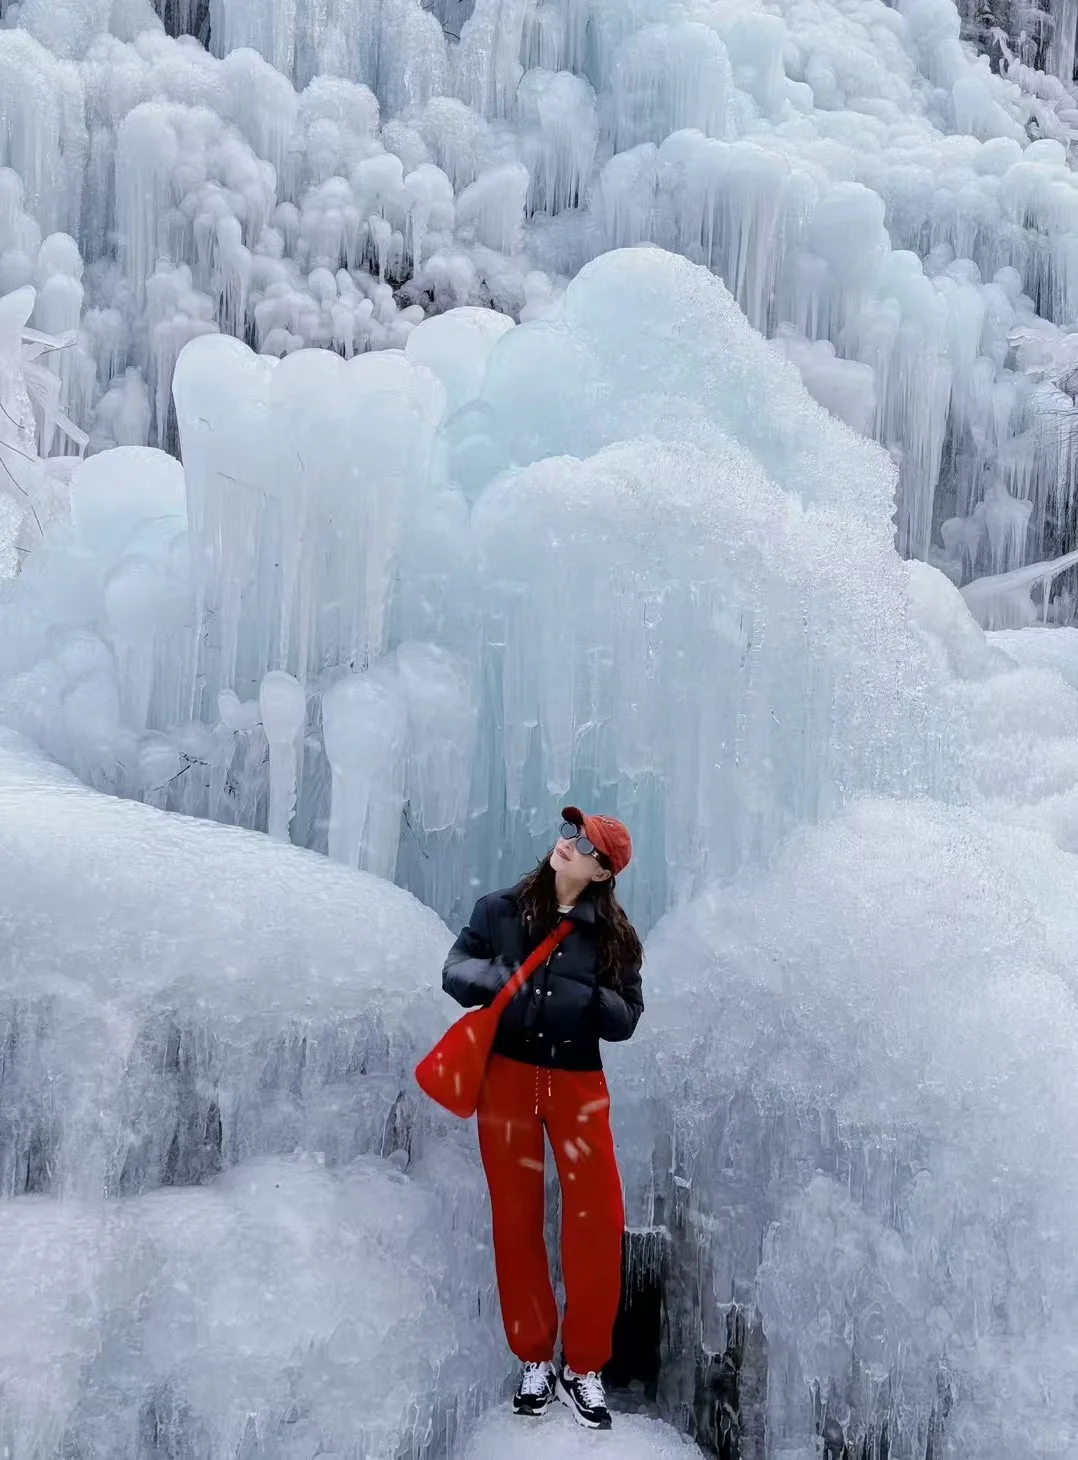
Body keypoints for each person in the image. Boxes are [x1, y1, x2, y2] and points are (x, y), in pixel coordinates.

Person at [442, 806, 644, 1430]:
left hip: (578, 1086)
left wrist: (584, 1000)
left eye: (585, 843)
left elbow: (628, 1017)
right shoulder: (498, 910)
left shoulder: (614, 938)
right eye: (568, 832)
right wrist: (506, 978)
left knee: (598, 1220)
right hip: (506, 1080)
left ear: (604, 871)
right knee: (516, 1217)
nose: (568, 844)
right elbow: (455, 972)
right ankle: (535, 1358)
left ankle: (584, 1365)